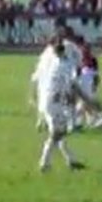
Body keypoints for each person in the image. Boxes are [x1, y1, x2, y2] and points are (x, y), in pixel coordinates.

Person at [32, 37, 86, 173]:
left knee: (59, 133)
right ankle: (44, 163)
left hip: (47, 101)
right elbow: (73, 86)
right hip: (53, 103)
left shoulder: (50, 63)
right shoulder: (65, 66)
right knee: (56, 133)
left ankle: (71, 160)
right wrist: (86, 100)